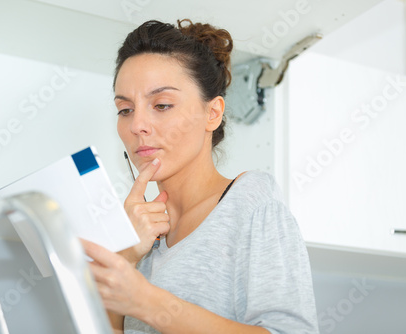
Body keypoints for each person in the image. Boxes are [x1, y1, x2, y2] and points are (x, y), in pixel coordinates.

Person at [81, 19, 319, 334]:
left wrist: (147, 301)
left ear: (213, 113)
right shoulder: (137, 235)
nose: (137, 124)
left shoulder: (250, 201)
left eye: (161, 105)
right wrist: (123, 260)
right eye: (125, 109)